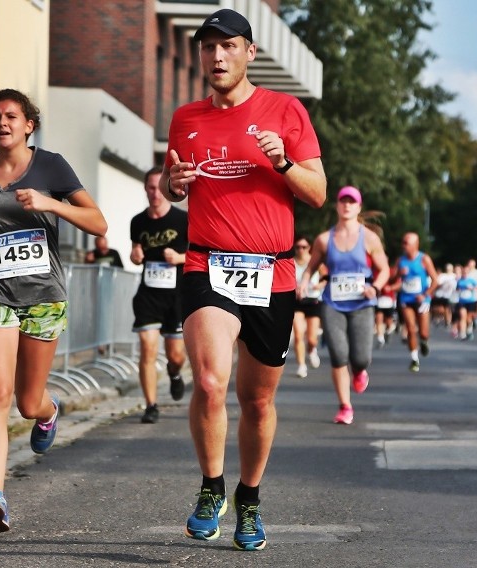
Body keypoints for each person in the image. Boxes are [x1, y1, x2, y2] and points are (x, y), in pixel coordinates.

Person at [160, 8, 326, 552]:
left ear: (250, 52)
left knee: (256, 402)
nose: (217, 57)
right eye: (208, 48)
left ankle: (248, 499)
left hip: (271, 270)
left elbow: (318, 192)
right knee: (210, 382)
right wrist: (174, 182)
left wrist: (282, 164)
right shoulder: (185, 118)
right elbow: (173, 182)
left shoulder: (285, 110)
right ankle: (212, 489)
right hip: (207, 263)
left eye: (228, 46)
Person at [0, 88, 107, 533]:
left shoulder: (51, 165)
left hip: (43, 294)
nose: (3, 123)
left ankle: (48, 409)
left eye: (12, 116)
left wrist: (50, 202)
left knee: (25, 402)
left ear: (28, 124)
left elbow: (99, 223)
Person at [299, 186, 389, 425]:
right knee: (338, 355)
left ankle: (359, 371)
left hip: (361, 303)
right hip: (333, 303)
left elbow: (384, 269)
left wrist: (376, 287)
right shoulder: (324, 239)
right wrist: (304, 283)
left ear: (358, 207)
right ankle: (345, 406)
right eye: (343, 201)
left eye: (352, 202)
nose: (347, 205)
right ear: (337, 206)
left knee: (360, 357)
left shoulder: (369, 238)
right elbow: (311, 267)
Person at [129, 166, 189, 423]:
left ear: (166, 188)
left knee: (176, 355)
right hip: (148, 295)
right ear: (145, 189)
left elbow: (199, 254)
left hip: (176, 295)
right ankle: (150, 405)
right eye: (150, 188)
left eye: (158, 188)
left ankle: (174, 374)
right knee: (147, 347)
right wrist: (135, 255)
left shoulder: (182, 220)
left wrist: (179, 258)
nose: (155, 193)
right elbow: (135, 252)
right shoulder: (138, 221)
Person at [391, 232, 438, 372]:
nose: (403, 245)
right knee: (411, 329)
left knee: (423, 332)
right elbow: (393, 279)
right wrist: (400, 273)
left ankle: (423, 341)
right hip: (406, 299)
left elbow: (436, 281)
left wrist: (425, 295)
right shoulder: (400, 261)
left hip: (422, 300)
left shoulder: (424, 259)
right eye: (403, 242)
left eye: (407, 243)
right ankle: (414, 359)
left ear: (415, 245)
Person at [292, 235, 325, 378]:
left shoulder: (315, 262)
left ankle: (312, 350)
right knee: (298, 334)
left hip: (313, 300)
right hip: (297, 302)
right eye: (298, 247)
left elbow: (326, 278)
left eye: (304, 247)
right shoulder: (291, 263)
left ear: (309, 248)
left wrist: (320, 285)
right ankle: (301, 365)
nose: (300, 250)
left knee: (311, 338)